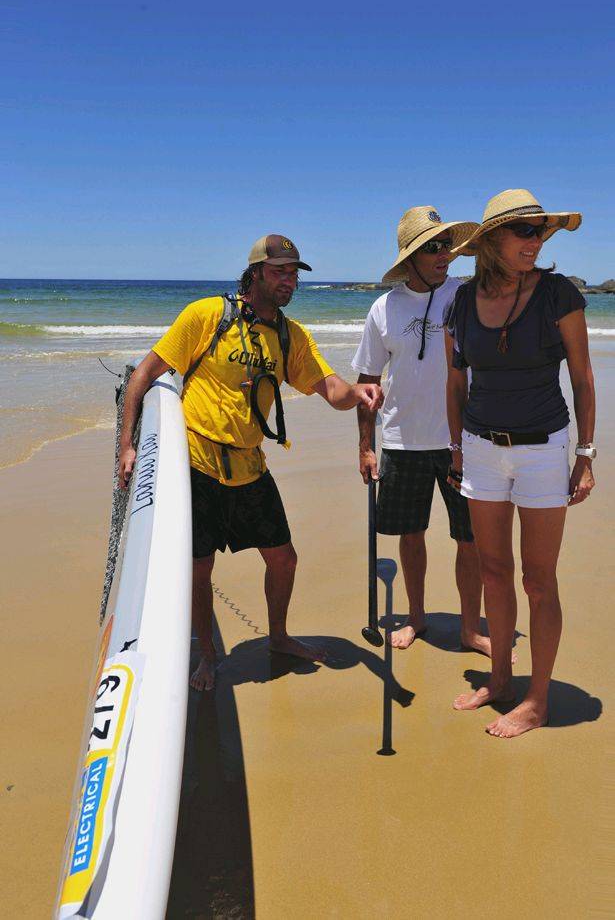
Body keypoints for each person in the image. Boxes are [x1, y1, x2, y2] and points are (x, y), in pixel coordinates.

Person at [119, 235, 382, 691]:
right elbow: (143, 375)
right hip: (197, 466)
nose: (289, 281)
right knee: (199, 570)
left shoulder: (290, 335)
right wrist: (127, 446)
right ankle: (207, 654)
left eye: (294, 273)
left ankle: (278, 636)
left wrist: (358, 392)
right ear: (256, 272)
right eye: (280, 272)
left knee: (284, 559)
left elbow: (332, 390)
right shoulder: (207, 316)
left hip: (250, 467)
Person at [445, 189, 595, 738]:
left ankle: (537, 700)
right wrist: (457, 450)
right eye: (524, 231)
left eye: (539, 231)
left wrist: (585, 454)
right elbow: (455, 382)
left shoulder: (558, 294)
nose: (535, 242)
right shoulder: (462, 301)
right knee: (493, 569)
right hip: (481, 449)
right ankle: (502, 680)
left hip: (543, 450)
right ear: (492, 241)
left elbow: (582, 378)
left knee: (538, 580)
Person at [353, 205, 490, 654]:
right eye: (433, 247)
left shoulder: (467, 296)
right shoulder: (383, 308)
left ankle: (470, 628)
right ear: (410, 257)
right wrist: (365, 446)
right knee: (411, 535)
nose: (444, 254)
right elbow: (367, 381)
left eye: (447, 244)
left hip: (463, 442)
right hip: (402, 441)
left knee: (469, 539)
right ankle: (416, 618)